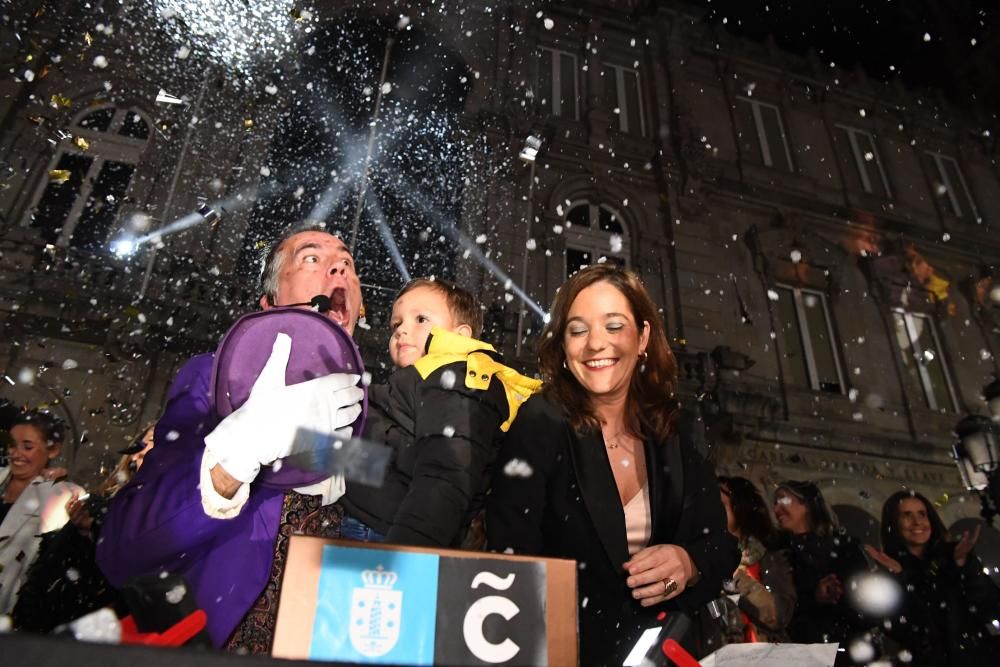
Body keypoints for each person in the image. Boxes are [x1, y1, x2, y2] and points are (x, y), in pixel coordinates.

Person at [96, 226, 366, 651]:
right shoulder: (214, 382)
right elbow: (123, 550)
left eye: (348, 263)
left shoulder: (369, 417)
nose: (339, 268)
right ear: (269, 302)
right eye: (311, 258)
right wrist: (240, 450)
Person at [486, 264, 739, 666]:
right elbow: (509, 558)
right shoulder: (541, 420)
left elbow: (721, 547)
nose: (594, 344)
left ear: (643, 338)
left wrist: (689, 564)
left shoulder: (679, 428)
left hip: (662, 655)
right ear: (563, 346)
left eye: (613, 326)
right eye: (578, 329)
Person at [339, 278, 540, 547]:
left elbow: (445, 477)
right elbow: (394, 458)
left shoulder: (460, 378)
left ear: (462, 335)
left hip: (387, 536)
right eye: (396, 324)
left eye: (421, 319)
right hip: (373, 522)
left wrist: (405, 554)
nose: (402, 330)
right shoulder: (423, 381)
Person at [12, 422, 156, 632]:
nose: (140, 452)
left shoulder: (161, 520)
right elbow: (49, 568)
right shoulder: (100, 505)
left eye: (152, 443)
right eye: (142, 444)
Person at [865, 490, 1000, 666]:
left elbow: (991, 607)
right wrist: (899, 578)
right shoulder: (887, 571)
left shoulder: (955, 557)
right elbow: (903, 630)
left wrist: (964, 566)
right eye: (907, 515)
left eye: (922, 514)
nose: (917, 522)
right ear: (894, 523)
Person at [0, 410, 78, 614]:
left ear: (52, 450)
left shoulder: (60, 495)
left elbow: (42, 565)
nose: (16, 453)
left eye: (27, 446)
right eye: (11, 444)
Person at [773, 480, 869, 647]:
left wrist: (841, 593)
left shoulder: (846, 549)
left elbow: (866, 603)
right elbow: (774, 608)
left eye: (783, 500)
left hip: (842, 650)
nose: (776, 509)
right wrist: (813, 597)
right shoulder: (776, 553)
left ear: (807, 503)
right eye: (774, 503)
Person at [711, 475, 796, 644]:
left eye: (719, 504)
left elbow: (778, 615)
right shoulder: (696, 554)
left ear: (740, 508)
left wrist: (734, 578)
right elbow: (671, 586)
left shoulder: (767, 558)